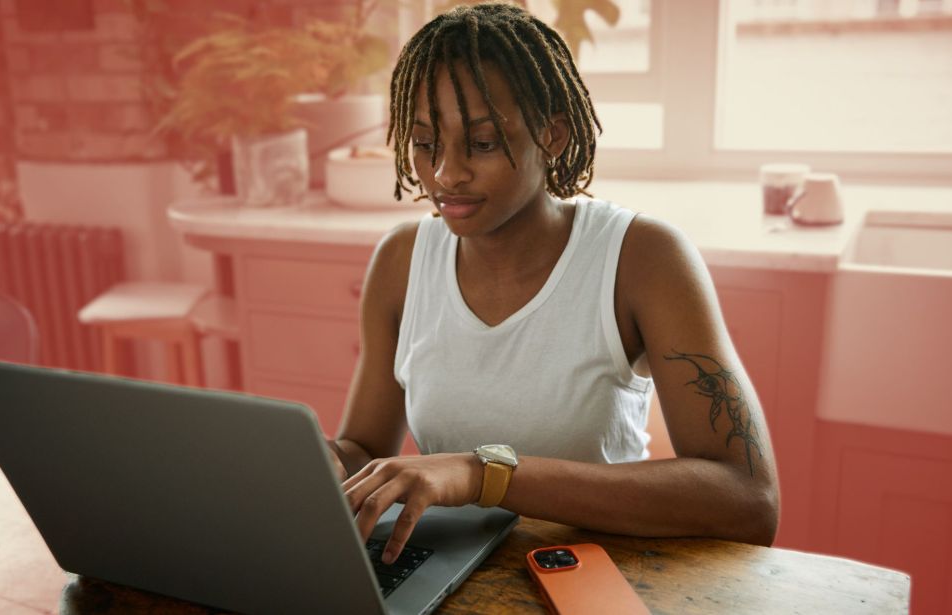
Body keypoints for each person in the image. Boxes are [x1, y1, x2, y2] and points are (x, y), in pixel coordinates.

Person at [326, 2, 780, 567]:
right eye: (424, 142)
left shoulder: (643, 258)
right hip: (447, 568)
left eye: (483, 143)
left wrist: (481, 475)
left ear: (554, 135)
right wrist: (325, 462)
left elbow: (748, 499)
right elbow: (365, 448)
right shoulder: (402, 260)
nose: (445, 174)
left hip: (596, 571)